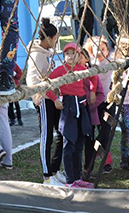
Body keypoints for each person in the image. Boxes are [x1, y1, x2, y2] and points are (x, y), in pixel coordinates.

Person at [46, 43, 94, 188]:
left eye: (74, 53)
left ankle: (77, 177)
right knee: (69, 143)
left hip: (81, 106)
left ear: (79, 56)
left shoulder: (82, 69)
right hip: (68, 108)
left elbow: (93, 79)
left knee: (79, 142)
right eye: (67, 53)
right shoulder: (60, 70)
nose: (70, 56)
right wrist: (55, 100)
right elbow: (47, 85)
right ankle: (69, 180)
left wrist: (92, 90)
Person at [27, 18, 65, 185]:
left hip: (55, 98)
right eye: (55, 37)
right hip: (45, 100)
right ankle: (47, 175)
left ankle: (55, 170)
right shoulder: (37, 54)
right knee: (46, 136)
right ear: (49, 38)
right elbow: (33, 80)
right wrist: (41, 97)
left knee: (61, 134)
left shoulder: (48, 54)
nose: (56, 41)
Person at [83, 36, 113, 173]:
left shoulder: (112, 62)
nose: (100, 52)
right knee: (93, 131)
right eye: (96, 49)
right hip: (94, 103)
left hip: (109, 100)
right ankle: (93, 162)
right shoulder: (90, 65)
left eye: (103, 49)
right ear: (91, 51)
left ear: (107, 50)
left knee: (105, 132)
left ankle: (103, 157)